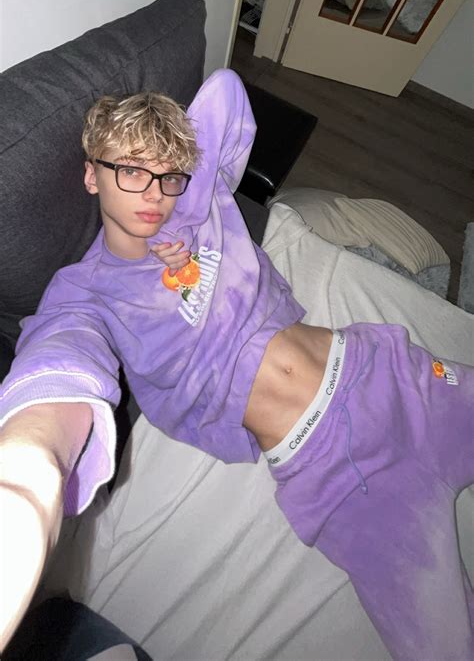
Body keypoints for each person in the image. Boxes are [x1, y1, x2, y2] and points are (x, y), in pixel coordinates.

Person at [0, 69, 473, 660]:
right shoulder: (85, 293)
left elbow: (225, 88)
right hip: (343, 477)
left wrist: (182, 175)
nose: (153, 194)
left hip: (391, 375)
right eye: (131, 171)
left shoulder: (196, 204)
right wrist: (29, 465)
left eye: (167, 175)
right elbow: (56, 356)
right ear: (91, 175)